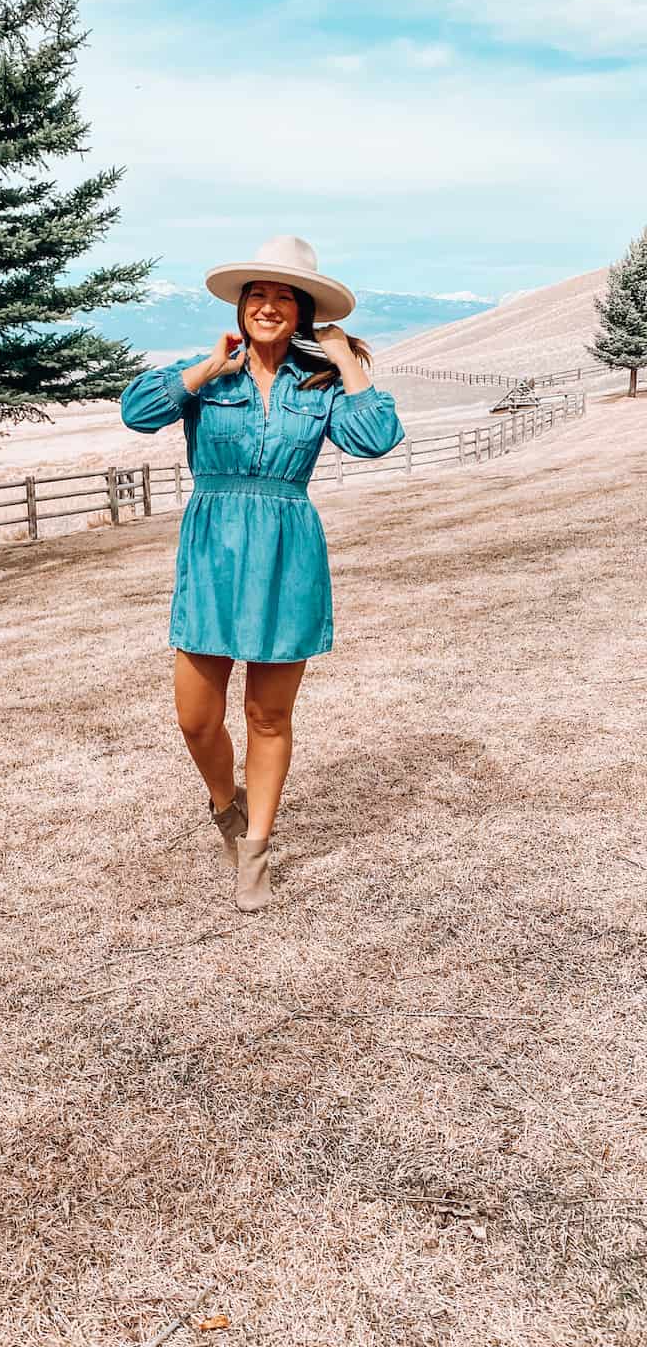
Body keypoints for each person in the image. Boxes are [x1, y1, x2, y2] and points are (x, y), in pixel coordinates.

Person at [119, 235, 405, 913]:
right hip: (212, 550)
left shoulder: (321, 382)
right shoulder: (209, 373)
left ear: (302, 312)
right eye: (258, 295)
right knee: (195, 718)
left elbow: (377, 438)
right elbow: (136, 412)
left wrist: (344, 359)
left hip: (287, 550)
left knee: (268, 715)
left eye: (284, 297)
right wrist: (203, 370)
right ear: (242, 306)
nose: (269, 306)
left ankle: (257, 850)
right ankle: (228, 807)